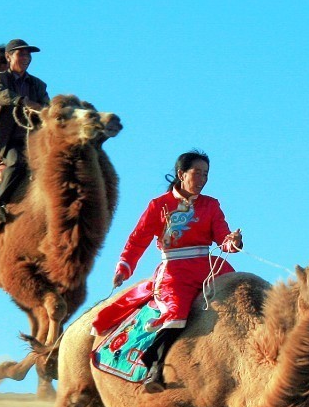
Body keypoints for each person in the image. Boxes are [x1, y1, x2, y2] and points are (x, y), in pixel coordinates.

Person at [91, 150, 243, 393]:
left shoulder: (211, 204)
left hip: (209, 267)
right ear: (181, 174)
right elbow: (137, 240)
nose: (203, 179)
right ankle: (154, 365)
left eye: (206, 174)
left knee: (238, 297)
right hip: (175, 270)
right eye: (198, 173)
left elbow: (222, 238)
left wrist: (232, 241)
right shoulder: (159, 205)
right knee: (177, 312)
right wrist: (124, 266)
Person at [0, 38, 51, 230]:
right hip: (10, 139)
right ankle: (0, 205)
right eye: (21, 53)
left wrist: (46, 111)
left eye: (28, 54)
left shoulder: (38, 85)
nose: (26, 58)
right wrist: (23, 102)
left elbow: (47, 107)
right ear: (8, 56)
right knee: (17, 162)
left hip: (33, 138)